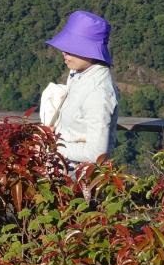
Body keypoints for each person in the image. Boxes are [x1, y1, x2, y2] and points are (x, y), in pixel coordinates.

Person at [39, 9, 120, 165]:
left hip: (77, 177)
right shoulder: (79, 73)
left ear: (91, 52)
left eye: (72, 48)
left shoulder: (99, 93)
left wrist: (51, 148)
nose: (64, 53)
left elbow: (97, 154)